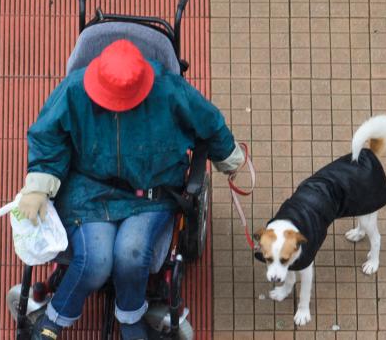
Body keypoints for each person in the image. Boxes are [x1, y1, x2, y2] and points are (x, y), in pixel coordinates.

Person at [17, 39, 244, 339]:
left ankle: (130, 319)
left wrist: (229, 157)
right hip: (89, 191)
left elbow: (209, 122)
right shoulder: (74, 89)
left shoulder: (169, 88)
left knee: (131, 254)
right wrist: (37, 186)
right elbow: (48, 137)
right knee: (95, 261)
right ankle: (52, 322)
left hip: (151, 193)